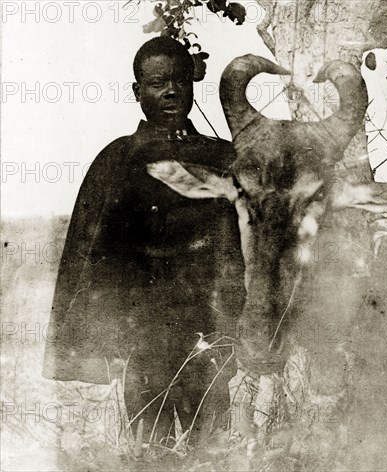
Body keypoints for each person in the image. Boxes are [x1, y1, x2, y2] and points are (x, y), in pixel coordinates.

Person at [42, 36, 245, 447]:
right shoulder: (117, 160)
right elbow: (89, 257)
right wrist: (107, 340)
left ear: (192, 85)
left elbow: (243, 250)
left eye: (180, 81)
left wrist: (235, 325)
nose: (170, 91)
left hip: (206, 335)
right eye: (156, 83)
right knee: (148, 448)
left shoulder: (223, 158)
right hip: (143, 339)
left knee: (211, 446)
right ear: (138, 92)